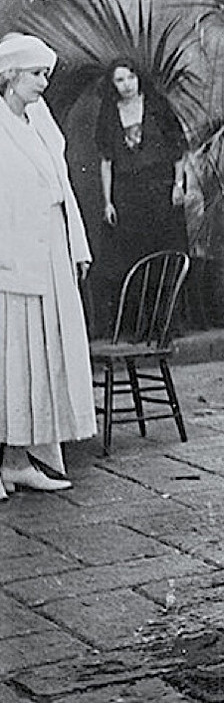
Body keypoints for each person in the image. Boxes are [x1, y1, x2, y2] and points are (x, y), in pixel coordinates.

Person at [0, 33, 93, 498]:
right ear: (11, 75)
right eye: (36, 74)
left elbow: (61, 185)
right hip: (11, 257)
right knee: (9, 359)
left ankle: (18, 460)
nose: (43, 83)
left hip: (49, 251)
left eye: (46, 75)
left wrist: (76, 246)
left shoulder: (40, 119)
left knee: (36, 360)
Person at [94, 58, 188, 336]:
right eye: (120, 80)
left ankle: (168, 324)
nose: (126, 85)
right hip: (127, 196)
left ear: (139, 78)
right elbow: (106, 161)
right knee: (134, 259)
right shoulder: (109, 113)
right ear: (113, 85)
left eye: (130, 78)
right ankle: (140, 326)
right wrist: (108, 201)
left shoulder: (157, 106)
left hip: (161, 191)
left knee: (164, 255)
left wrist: (178, 185)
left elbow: (178, 150)